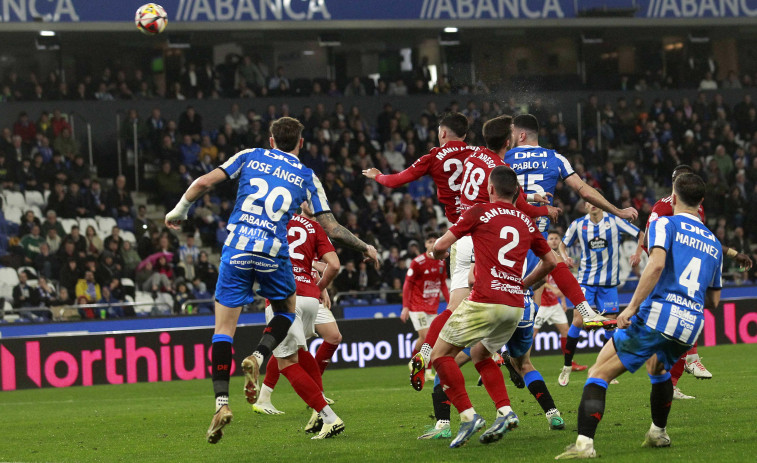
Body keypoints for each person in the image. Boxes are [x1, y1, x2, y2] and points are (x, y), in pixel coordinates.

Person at [164, 116, 378, 444]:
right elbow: (332, 227)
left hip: (237, 248)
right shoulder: (308, 176)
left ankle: (221, 403)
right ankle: (260, 355)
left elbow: (205, 182)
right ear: (301, 144)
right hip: (272, 252)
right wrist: (364, 247)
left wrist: (179, 211)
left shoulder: (249, 155)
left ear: (271, 139)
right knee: (285, 312)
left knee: (223, 330)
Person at [556, 174, 722, 459]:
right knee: (658, 369)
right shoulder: (714, 242)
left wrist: (631, 309)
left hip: (657, 315)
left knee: (599, 372)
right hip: (691, 325)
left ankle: (584, 445)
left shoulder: (664, 223)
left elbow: (655, 265)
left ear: (673, 195)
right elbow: (714, 300)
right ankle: (658, 433)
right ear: (701, 201)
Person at [408, 115, 556, 391]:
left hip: (460, 234)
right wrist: (546, 208)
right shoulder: (500, 168)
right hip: (482, 233)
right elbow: (520, 206)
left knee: (455, 307)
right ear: (508, 140)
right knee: (490, 295)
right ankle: (499, 357)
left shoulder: (475, 153)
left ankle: (426, 351)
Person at [429, 165, 557, 448]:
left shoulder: (478, 212)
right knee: (481, 354)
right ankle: (505, 411)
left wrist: (435, 252)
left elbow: (442, 245)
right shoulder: (526, 221)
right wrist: (524, 284)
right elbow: (551, 263)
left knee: (439, 356)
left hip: (485, 299)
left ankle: (467, 415)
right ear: (518, 192)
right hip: (514, 305)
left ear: (490, 188)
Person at [629, 164, 753, 399]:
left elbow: (703, 239)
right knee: (679, 318)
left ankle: (675, 379)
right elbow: (651, 242)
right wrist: (661, 263)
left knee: (688, 312)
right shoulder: (661, 208)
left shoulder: (698, 209)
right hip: (666, 267)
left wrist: (734, 254)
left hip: (686, 268)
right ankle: (687, 357)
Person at [253, 202, 342, 422]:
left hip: (299, 291)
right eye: (307, 199)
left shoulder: (289, 224)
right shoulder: (315, 228)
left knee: (296, 349)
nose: (311, 203)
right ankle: (269, 397)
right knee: (293, 350)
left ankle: (320, 406)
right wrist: (318, 285)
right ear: (299, 203)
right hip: (307, 293)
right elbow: (327, 263)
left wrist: (321, 286)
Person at [557, 202, 640, 386]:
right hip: (586, 280)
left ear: (601, 204)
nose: (592, 205)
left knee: (611, 326)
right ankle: (567, 366)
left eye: (595, 202)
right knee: (578, 320)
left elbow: (641, 234)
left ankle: (602, 368)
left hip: (609, 283)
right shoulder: (578, 224)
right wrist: (565, 257)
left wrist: (638, 253)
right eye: (588, 203)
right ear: (585, 207)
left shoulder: (615, 221)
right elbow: (562, 245)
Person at [532, 232, 587, 373]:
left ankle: (569, 363)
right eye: (551, 238)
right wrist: (552, 289)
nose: (554, 241)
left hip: (554, 304)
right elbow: (539, 279)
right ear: (546, 241)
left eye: (557, 238)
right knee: (530, 334)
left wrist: (563, 300)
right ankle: (521, 362)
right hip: (542, 304)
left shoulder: (561, 259)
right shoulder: (542, 257)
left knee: (566, 331)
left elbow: (562, 282)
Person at [400, 232, 449, 381]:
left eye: (435, 241)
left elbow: (442, 285)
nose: (432, 244)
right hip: (417, 306)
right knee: (427, 337)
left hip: (432, 307)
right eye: (429, 241)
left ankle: (426, 370)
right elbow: (408, 285)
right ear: (425, 244)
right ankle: (414, 361)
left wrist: (450, 303)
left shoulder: (441, 262)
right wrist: (405, 307)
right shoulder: (418, 262)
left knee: (429, 340)